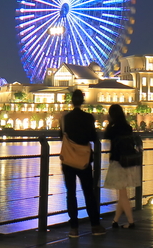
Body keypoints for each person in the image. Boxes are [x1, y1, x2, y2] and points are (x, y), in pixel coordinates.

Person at [60, 89, 106, 237]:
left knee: (71, 193)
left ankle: (74, 227)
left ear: (72, 101)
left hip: (68, 160)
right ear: (83, 100)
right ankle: (95, 225)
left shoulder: (65, 118)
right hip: (84, 160)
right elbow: (93, 136)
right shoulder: (88, 117)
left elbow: (61, 135)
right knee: (88, 192)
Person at [102, 104, 140, 229]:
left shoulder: (113, 128)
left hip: (118, 162)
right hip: (128, 161)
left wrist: (108, 122)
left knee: (122, 193)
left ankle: (131, 222)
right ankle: (115, 221)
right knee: (122, 192)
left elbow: (106, 135)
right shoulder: (128, 127)